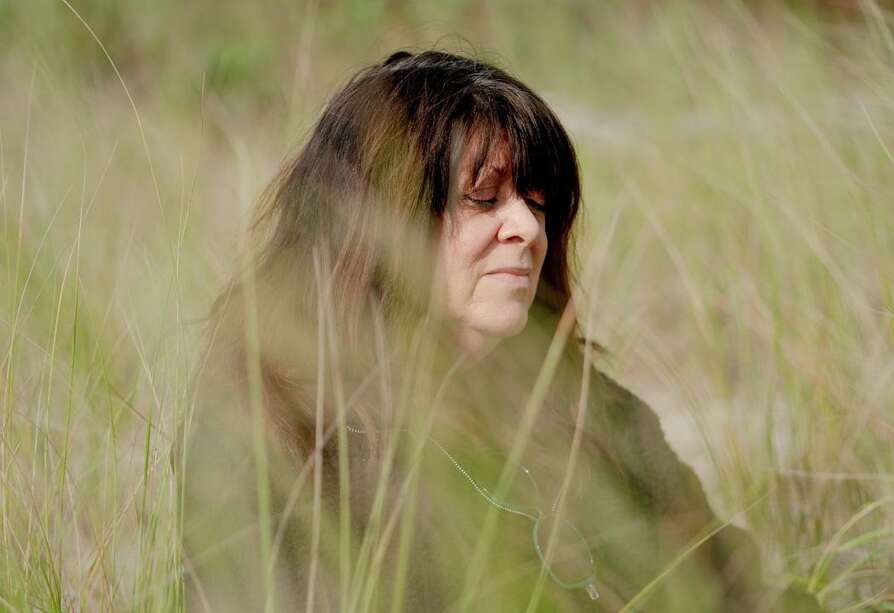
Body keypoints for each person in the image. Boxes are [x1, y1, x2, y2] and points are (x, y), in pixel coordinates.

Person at [180, 50, 822, 612]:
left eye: (538, 202)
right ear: (374, 221)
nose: (527, 227)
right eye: (483, 199)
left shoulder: (592, 411)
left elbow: (737, 592)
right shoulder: (281, 435)